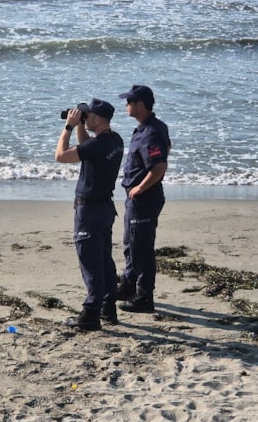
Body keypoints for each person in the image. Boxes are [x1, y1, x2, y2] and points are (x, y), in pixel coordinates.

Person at [55, 98, 124, 330]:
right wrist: (81, 126)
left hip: (90, 210)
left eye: (88, 117)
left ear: (96, 119)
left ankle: (90, 316)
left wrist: (68, 127)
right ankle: (108, 308)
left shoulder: (98, 145)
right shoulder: (114, 141)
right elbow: (86, 150)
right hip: (104, 208)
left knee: (90, 262)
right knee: (104, 259)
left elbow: (61, 156)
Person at [116, 85, 171, 313]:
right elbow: (167, 147)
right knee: (130, 244)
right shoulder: (147, 128)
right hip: (138, 198)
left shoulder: (151, 132)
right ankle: (128, 285)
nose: (126, 105)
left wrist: (139, 187)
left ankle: (144, 298)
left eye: (129, 101)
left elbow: (159, 166)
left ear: (141, 104)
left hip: (145, 198)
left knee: (142, 249)